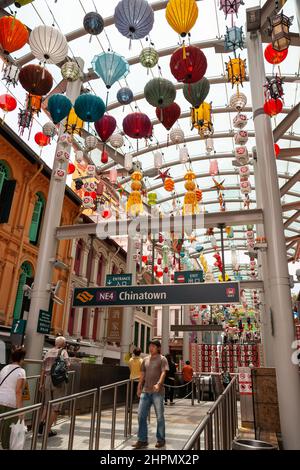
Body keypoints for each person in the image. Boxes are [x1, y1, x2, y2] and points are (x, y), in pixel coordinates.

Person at [132, 339, 169, 449]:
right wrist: (139, 387)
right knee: (141, 415)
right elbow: (142, 374)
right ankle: (142, 440)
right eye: (150, 346)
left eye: (153, 346)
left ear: (158, 348)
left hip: (157, 392)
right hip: (145, 391)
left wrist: (159, 384)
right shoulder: (145, 359)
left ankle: (161, 439)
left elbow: (163, 372)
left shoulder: (162, 359)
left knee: (159, 417)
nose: (151, 347)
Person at [39, 336, 70, 437]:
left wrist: (41, 383)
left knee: (47, 404)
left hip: (47, 379)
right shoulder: (63, 352)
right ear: (64, 344)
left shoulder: (48, 352)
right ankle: (47, 431)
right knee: (56, 406)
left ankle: (42, 421)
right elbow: (67, 364)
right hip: (58, 381)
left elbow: (43, 369)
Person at [0, 346, 26, 449]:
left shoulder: (4, 368)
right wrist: (20, 410)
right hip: (11, 403)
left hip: (0, 400)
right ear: (21, 359)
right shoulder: (21, 371)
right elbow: (18, 391)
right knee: (8, 431)